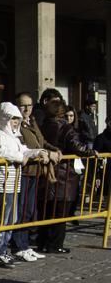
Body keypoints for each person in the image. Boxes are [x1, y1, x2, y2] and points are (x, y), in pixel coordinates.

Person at [0, 103, 49, 268]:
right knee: (2, 219)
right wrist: (21, 157)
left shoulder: (13, 137)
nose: (15, 122)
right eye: (13, 119)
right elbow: (1, 152)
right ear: (5, 118)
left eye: (17, 119)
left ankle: (4, 249)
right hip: (2, 183)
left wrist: (38, 152)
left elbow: (24, 149)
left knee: (11, 219)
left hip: (14, 183)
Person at [37, 99, 95, 253]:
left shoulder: (42, 126)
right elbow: (76, 146)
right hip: (63, 174)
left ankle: (42, 242)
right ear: (61, 113)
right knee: (60, 213)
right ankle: (55, 245)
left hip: (45, 172)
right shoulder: (65, 127)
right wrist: (90, 152)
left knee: (46, 210)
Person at [10, 92, 57, 261]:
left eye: (29, 105)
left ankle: (25, 245)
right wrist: (42, 153)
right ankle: (18, 246)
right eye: (23, 105)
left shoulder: (33, 121)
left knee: (29, 210)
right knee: (22, 210)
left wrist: (54, 150)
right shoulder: (15, 124)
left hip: (35, 172)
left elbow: (41, 141)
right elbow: (24, 147)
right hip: (24, 171)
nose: (27, 108)